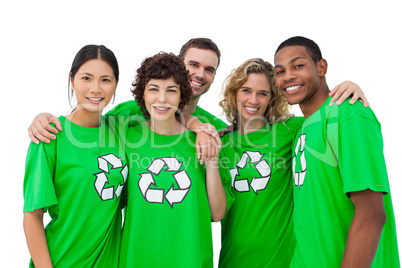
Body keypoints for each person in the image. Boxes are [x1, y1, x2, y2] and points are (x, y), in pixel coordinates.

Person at [27, 37, 368, 144]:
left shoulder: (212, 127)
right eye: (192, 65)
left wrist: (349, 86)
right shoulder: (131, 113)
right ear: (178, 65)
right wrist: (45, 118)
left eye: (209, 69)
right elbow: (89, 119)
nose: (199, 74)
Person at [274, 36, 400, 267]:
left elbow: (372, 213)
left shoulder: (349, 115)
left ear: (321, 67)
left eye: (298, 65)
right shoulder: (300, 128)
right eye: (279, 71)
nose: (288, 76)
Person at [119, 52, 231, 267]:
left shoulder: (201, 141)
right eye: (153, 89)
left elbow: (217, 214)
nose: (162, 99)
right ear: (142, 94)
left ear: (182, 96)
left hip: (191, 260)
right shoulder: (126, 137)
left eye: (171, 91)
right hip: (137, 259)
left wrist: (212, 160)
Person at [23, 45, 128, 267]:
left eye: (106, 80)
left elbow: (164, 104)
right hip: (62, 260)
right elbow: (33, 216)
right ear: (72, 80)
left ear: (116, 84)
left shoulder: (123, 128)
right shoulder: (50, 135)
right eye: (86, 78)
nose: (96, 89)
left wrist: (199, 127)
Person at [217, 58, 303, 267]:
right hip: (233, 260)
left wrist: (349, 88)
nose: (253, 100)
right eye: (246, 90)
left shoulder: (289, 130)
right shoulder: (220, 144)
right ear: (234, 93)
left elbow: (327, 116)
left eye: (262, 93)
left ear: (272, 98)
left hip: (280, 260)